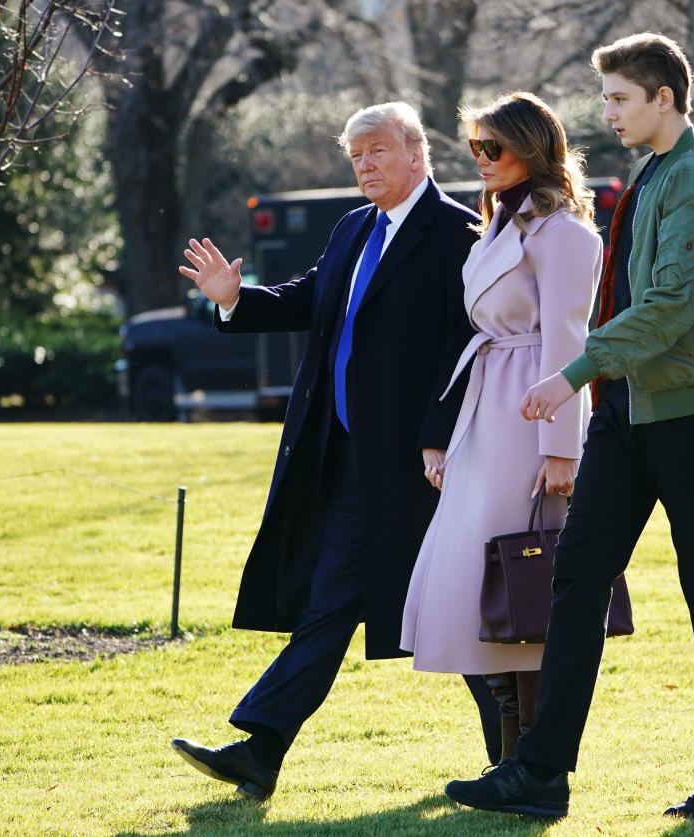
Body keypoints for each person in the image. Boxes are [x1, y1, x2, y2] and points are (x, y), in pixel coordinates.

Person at [444, 33, 694, 820]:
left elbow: (670, 307)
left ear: (665, 98)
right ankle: (541, 772)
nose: (608, 112)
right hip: (629, 409)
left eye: (621, 98)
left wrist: (571, 373)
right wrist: (600, 383)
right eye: (606, 99)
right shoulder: (655, 173)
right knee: (575, 576)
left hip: (690, 411)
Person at [170, 101, 501, 800]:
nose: (365, 166)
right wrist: (236, 298)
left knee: (456, 607)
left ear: (417, 153)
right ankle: (261, 750)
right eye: (355, 158)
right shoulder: (354, 227)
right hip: (351, 462)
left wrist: (436, 436)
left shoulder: (459, 233)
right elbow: (310, 298)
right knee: (329, 602)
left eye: (377, 151)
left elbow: (464, 344)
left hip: (425, 466)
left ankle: (520, 757)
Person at [399, 92, 602, 762]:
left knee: (524, 583)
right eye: (475, 148)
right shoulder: (498, 226)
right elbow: (477, 330)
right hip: (488, 410)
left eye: (494, 147)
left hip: (531, 416)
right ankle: (510, 757)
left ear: (532, 148)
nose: (481, 160)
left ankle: (531, 762)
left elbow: (570, 343)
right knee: (475, 584)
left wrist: (562, 452)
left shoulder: (564, 232)